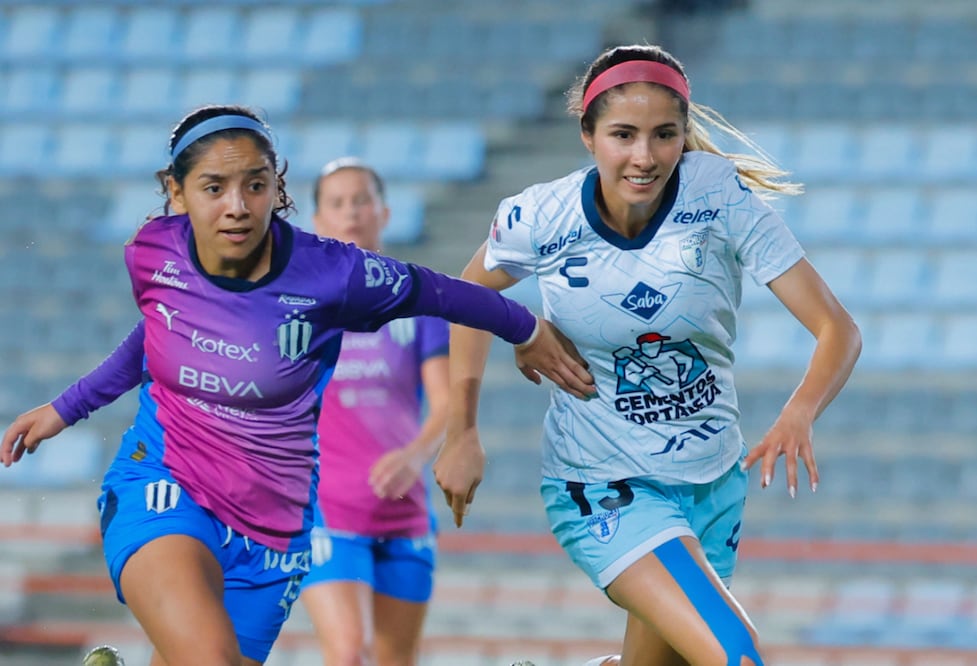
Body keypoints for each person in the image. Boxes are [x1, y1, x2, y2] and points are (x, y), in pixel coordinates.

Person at [0, 104, 595, 666]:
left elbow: (436, 290)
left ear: (276, 190)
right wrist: (65, 407)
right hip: (166, 486)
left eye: (254, 185)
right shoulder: (153, 253)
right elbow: (158, 334)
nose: (237, 206)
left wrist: (525, 327)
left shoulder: (334, 274)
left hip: (275, 528)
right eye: (213, 188)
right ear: (176, 194)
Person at [434, 45, 862, 666]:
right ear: (587, 135)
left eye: (664, 135)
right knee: (735, 655)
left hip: (714, 483)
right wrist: (463, 426)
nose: (644, 156)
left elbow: (838, 328)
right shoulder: (540, 217)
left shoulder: (719, 196)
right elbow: (467, 298)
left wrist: (800, 410)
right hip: (605, 487)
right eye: (623, 135)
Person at [299, 157, 447, 666]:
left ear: (383, 212)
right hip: (327, 513)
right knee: (347, 654)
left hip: (406, 513)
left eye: (361, 200)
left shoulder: (418, 303)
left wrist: (415, 455)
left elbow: (446, 405)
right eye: (336, 203)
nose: (351, 213)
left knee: (394, 661)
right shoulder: (302, 311)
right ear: (318, 221)